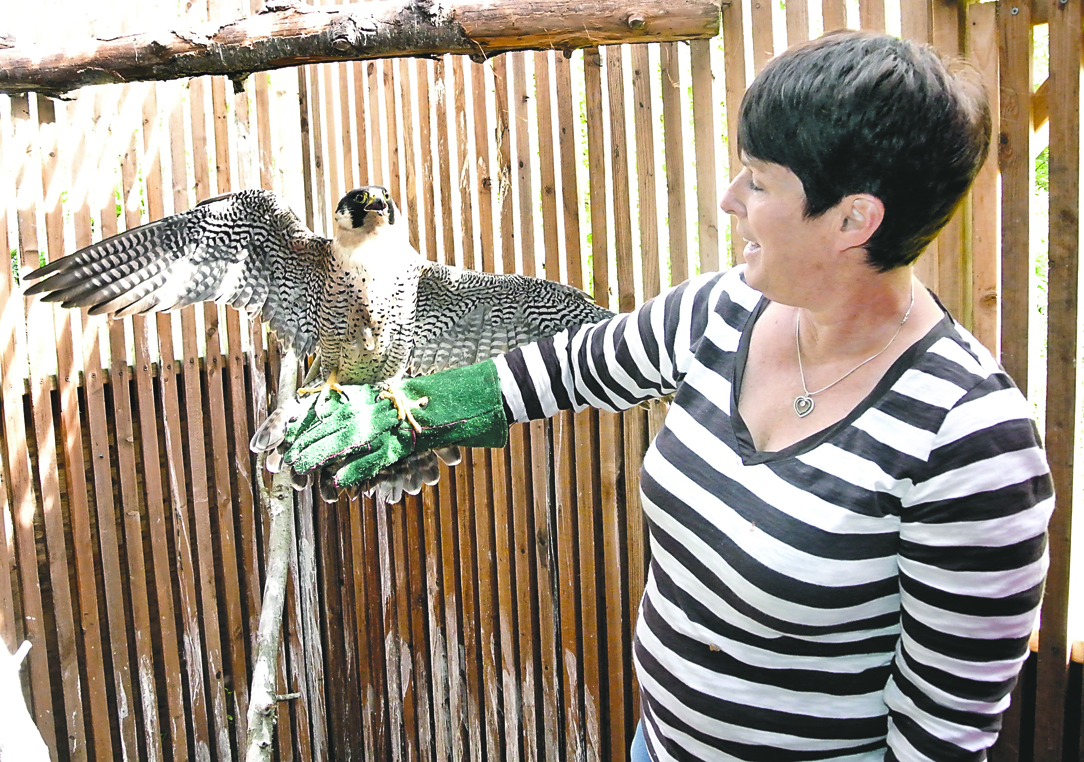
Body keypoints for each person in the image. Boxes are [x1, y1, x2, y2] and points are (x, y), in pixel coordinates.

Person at [280, 30, 1054, 761]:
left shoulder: (972, 441)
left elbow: (940, 737)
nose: (729, 198)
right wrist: (412, 409)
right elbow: (576, 364)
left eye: (758, 179)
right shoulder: (727, 309)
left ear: (854, 219)